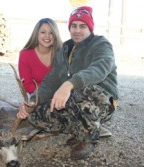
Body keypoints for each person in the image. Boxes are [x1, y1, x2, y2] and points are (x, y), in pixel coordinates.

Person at [17, 6, 118, 160]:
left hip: (101, 100)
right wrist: (32, 102)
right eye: (74, 26)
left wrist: (68, 84)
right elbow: (51, 80)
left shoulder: (101, 44)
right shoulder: (64, 49)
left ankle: (88, 138)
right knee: (36, 116)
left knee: (80, 90)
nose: (77, 30)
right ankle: (80, 127)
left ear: (90, 27)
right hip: (74, 100)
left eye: (82, 26)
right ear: (69, 27)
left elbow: (100, 67)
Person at [18, 18, 63, 94]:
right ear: (37, 34)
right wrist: (46, 93)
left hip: (60, 97)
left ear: (55, 35)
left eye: (51, 33)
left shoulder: (62, 53)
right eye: (43, 32)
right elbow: (27, 85)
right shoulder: (25, 55)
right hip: (37, 95)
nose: (47, 36)